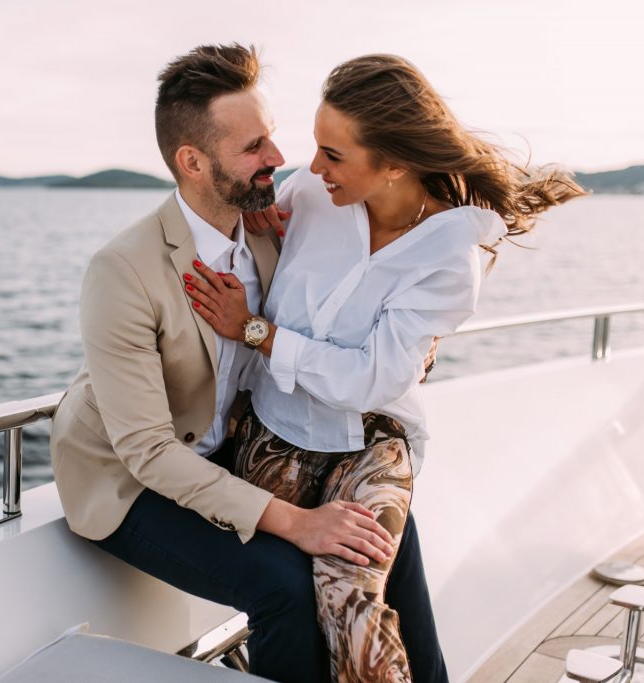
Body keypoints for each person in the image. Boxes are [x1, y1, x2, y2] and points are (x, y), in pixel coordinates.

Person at [50, 45, 449, 683]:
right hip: (130, 482)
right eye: (254, 147)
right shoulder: (123, 270)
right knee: (285, 584)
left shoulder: (267, 227)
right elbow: (148, 452)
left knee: (380, 531)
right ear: (193, 162)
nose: (278, 160)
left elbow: (360, 297)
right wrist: (298, 523)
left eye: (271, 138)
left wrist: (418, 344)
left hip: (229, 451)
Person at [185, 54, 586, 681]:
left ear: (395, 162)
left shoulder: (450, 258)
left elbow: (372, 380)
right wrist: (259, 222)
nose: (312, 167)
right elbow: (252, 230)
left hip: (372, 440)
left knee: (354, 611)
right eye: (317, 147)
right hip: (277, 433)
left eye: (333, 155)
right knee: (300, 598)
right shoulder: (311, 194)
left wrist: (257, 333)